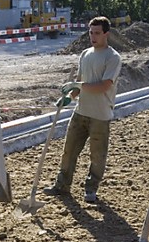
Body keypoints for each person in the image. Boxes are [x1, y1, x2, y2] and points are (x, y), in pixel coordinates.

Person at [43, 16, 122, 204]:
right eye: (90, 32)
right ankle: (62, 185)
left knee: (97, 155)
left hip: (100, 116)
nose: (92, 37)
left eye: (97, 33)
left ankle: (91, 189)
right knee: (69, 151)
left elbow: (104, 86)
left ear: (106, 34)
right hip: (80, 112)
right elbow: (79, 87)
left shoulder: (113, 58)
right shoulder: (85, 54)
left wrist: (76, 84)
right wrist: (69, 98)